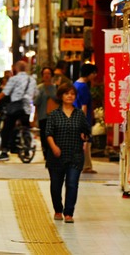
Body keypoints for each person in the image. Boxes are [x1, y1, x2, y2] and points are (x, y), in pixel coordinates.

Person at [45, 82, 90, 223]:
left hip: (75, 154)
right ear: (61, 96)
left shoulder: (79, 114)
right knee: (56, 185)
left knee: (72, 184)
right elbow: (48, 133)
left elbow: (86, 131)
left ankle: (69, 213)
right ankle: (58, 210)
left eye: (72, 94)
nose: (69, 96)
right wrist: (54, 147)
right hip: (56, 156)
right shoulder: (54, 114)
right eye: (66, 93)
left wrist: (85, 135)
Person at [0, 61, 37, 161]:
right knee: (25, 127)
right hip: (27, 108)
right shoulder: (32, 80)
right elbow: (35, 93)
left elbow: (5, 93)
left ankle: (4, 151)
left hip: (15, 107)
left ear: (16, 68)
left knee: (6, 128)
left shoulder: (14, 79)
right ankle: (27, 148)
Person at [73, 63, 97, 174]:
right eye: (93, 73)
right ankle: (86, 165)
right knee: (86, 142)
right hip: (83, 119)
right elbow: (84, 106)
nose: (95, 75)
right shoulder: (83, 87)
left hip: (75, 116)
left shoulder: (76, 84)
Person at [34, 67, 57, 160]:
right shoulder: (39, 88)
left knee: (54, 134)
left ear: (52, 75)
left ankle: (53, 151)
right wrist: (35, 116)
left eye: (48, 74)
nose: (47, 76)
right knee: (44, 135)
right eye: (45, 74)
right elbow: (36, 103)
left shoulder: (56, 87)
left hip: (55, 116)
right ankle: (46, 153)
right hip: (43, 115)